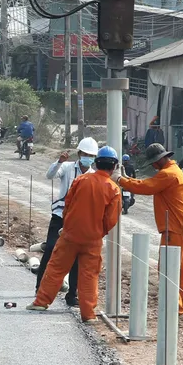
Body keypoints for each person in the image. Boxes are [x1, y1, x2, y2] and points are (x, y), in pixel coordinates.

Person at [28, 146, 122, 322]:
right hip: (93, 239)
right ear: (114, 166)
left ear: (96, 162)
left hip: (70, 235)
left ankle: (41, 302)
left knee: (56, 268)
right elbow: (111, 219)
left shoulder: (81, 180)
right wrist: (98, 232)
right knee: (89, 275)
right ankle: (88, 314)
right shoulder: (113, 189)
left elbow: (67, 204)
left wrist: (69, 225)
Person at [117, 143, 183, 314]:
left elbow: (145, 186)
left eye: (153, 162)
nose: (152, 166)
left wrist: (120, 180)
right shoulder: (175, 170)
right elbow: (147, 183)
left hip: (174, 227)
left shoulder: (167, 174)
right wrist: (127, 179)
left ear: (159, 160)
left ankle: (175, 308)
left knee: (168, 267)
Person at [37, 136, 99, 306]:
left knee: (76, 257)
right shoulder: (67, 167)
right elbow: (50, 175)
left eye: (91, 156)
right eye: (85, 154)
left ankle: (72, 295)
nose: (88, 158)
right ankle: (39, 288)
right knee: (50, 249)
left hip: (78, 221)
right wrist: (59, 162)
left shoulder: (94, 176)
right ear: (79, 154)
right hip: (60, 216)